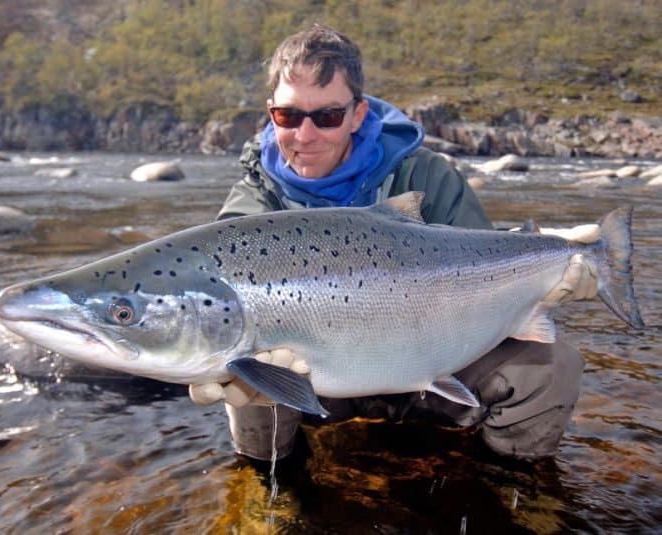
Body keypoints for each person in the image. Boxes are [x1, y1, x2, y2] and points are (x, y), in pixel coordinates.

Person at [188, 25, 597, 461]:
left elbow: (487, 263)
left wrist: (547, 273)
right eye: (288, 117)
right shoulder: (252, 206)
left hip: (433, 358)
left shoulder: (425, 176)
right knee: (247, 386)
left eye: (326, 117)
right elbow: (210, 292)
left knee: (551, 369)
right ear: (271, 113)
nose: (304, 136)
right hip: (318, 379)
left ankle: (511, 490)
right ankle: (268, 499)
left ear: (358, 114)